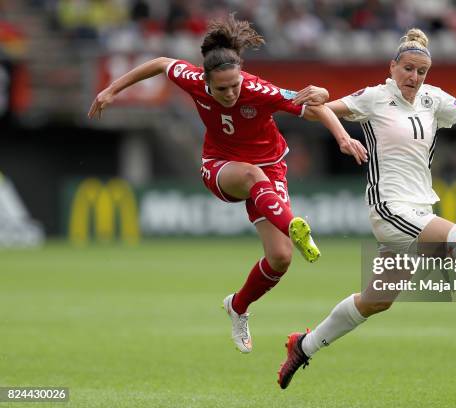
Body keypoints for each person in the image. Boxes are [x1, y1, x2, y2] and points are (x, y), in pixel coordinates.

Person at [278, 28, 456, 388]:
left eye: (421, 71)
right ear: (392, 66)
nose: (414, 77)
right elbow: (313, 111)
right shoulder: (374, 97)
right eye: (408, 69)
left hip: (420, 211)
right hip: (389, 210)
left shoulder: (434, 99)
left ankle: (303, 346)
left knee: (376, 300)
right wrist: (331, 120)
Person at [88, 14, 368, 354]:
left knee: (280, 259)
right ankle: (292, 224)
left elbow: (314, 106)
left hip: (271, 169)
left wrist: (342, 137)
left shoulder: (256, 89)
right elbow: (161, 63)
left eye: (235, 85)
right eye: (222, 88)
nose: (232, 93)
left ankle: (237, 306)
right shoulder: (191, 79)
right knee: (252, 175)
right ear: (206, 82)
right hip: (221, 168)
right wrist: (111, 89)